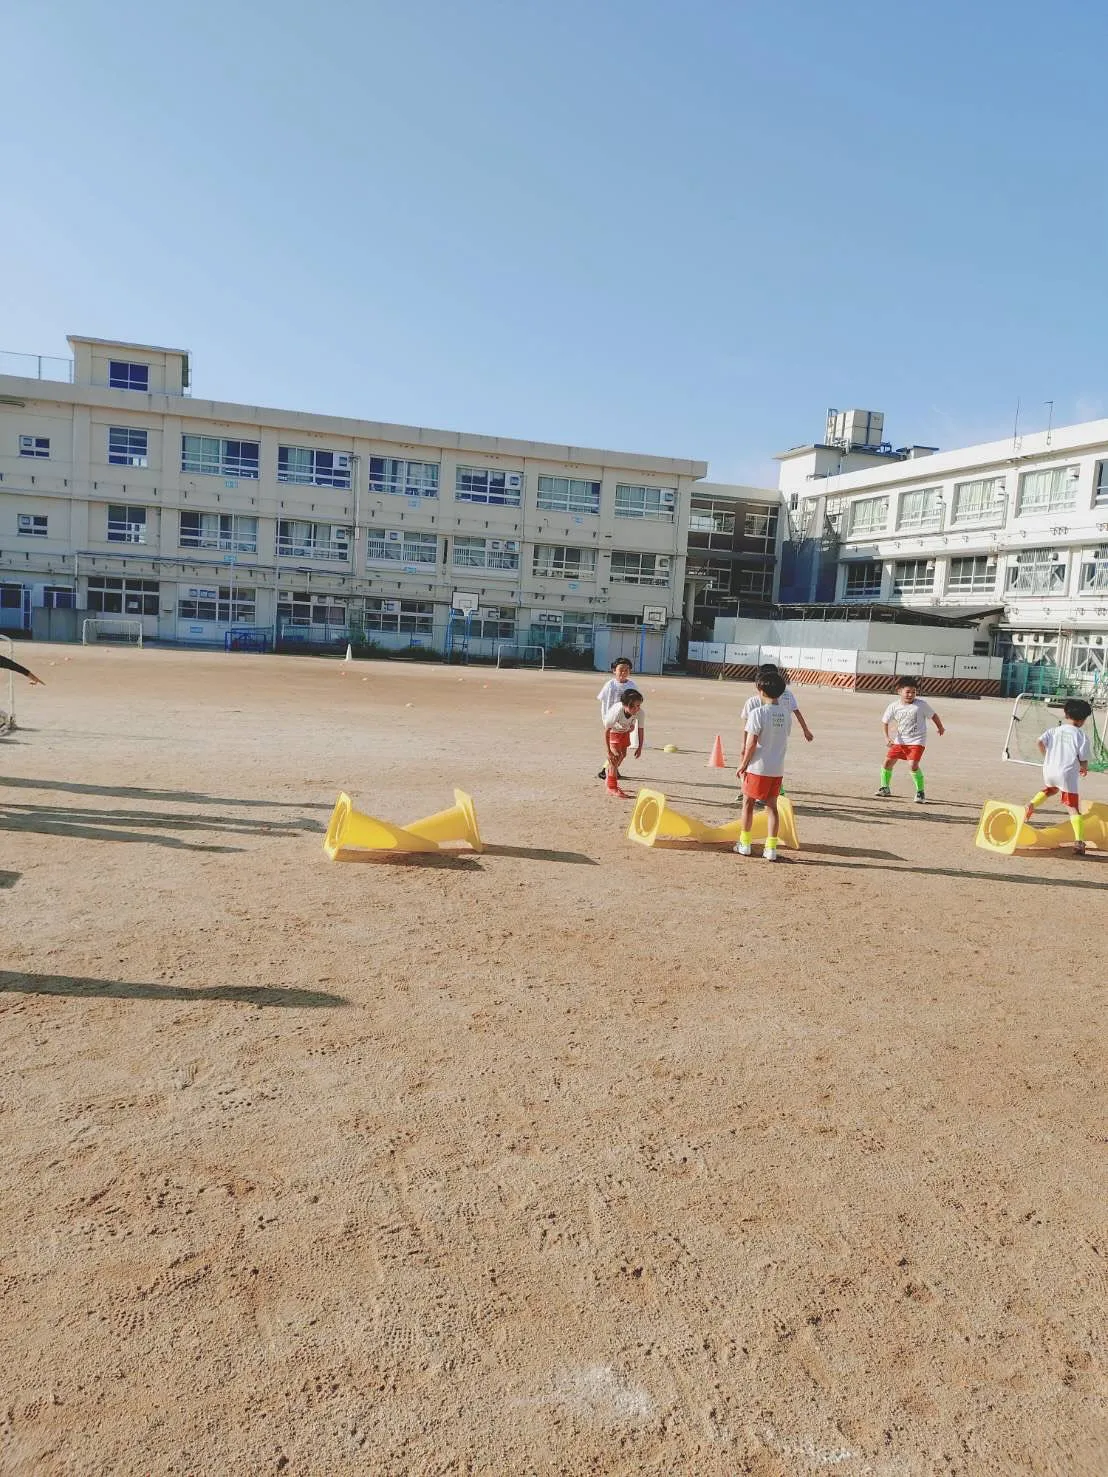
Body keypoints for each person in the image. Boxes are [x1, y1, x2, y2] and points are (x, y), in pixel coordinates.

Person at [734, 668, 791, 861]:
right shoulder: (786, 714)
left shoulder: (757, 713)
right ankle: (771, 848)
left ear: (761, 690)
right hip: (777, 768)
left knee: (748, 803)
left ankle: (745, 843)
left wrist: (743, 764)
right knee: (772, 807)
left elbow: (751, 744)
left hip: (758, 767)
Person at [1024, 698, 1093, 855]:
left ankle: (1032, 804)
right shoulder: (1081, 735)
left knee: (1051, 789)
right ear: (1083, 720)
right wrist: (1083, 768)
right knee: (1073, 808)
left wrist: (1047, 756)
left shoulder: (1054, 730)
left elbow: (1039, 742)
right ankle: (1079, 842)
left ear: (1066, 714)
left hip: (1049, 769)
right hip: (1066, 774)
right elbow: (1083, 758)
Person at [738, 663, 812, 805]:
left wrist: (743, 756)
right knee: (772, 803)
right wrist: (805, 730)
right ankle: (768, 790)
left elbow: (749, 736)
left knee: (749, 801)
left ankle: (747, 789)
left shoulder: (754, 705)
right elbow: (795, 713)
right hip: (777, 746)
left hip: (760, 747)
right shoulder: (784, 706)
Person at [875, 677, 944, 802]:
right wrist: (887, 738)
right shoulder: (893, 706)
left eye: (914, 692)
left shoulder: (921, 705)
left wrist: (940, 727)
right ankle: (884, 788)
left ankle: (920, 792)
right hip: (900, 741)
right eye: (907, 692)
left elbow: (933, 716)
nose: (911, 695)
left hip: (917, 741)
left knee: (912, 765)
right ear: (899, 691)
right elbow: (885, 722)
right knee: (887, 763)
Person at [596, 657, 637, 779]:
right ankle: (609, 772)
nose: (624, 672)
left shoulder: (632, 685)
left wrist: (633, 722)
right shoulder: (610, 685)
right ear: (614, 670)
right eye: (621, 669)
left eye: (627, 670)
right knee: (616, 751)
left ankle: (609, 769)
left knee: (623, 752)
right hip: (613, 723)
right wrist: (607, 720)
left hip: (625, 723)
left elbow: (635, 705)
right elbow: (604, 703)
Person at [602, 687, 644, 797]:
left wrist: (640, 747)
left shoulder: (640, 712)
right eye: (633, 706)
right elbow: (606, 731)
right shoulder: (616, 712)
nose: (637, 709)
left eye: (638, 705)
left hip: (625, 732)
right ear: (625, 705)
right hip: (613, 732)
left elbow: (640, 730)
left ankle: (609, 774)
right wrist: (608, 751)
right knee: (616, 756)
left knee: (623, 755)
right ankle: (612, 787)